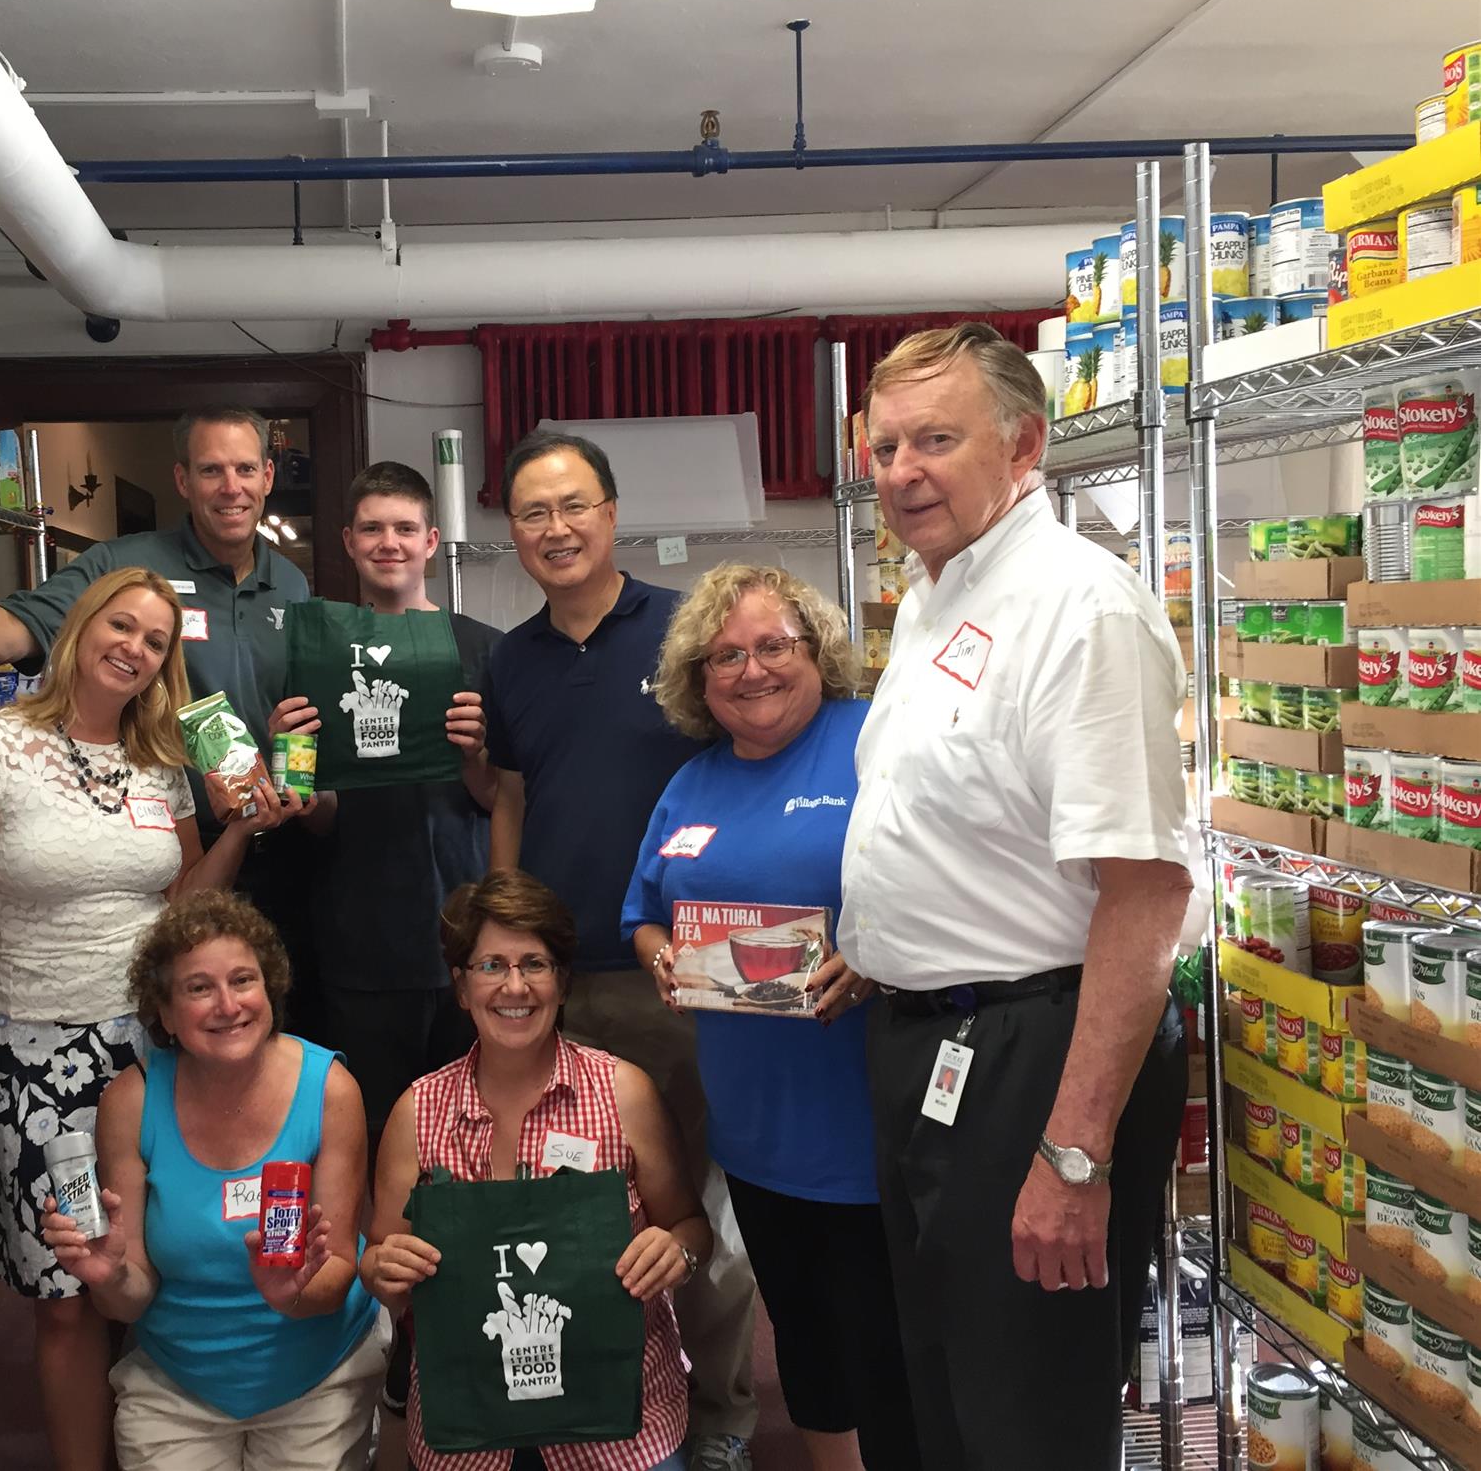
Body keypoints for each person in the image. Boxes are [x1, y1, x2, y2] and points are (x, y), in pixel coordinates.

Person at [0, 567, 290, 1471]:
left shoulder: (160, 758)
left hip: (162, 1050)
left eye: (155, 641)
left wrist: (241, 828)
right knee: (70, 1287)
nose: (135, 648)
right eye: (122, 625)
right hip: (45, 1059)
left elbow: (186, 903)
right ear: (80, 627)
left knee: (160, 1264)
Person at [841, 322, 1192, 1468]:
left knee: (1028, 1413)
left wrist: (1074, 1153)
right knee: (949, 1395)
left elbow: (1144, 895)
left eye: (936, 441)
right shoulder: (935, 596)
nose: (902, 472)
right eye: (885, 447)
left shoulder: (1081, 608)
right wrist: (880, 933)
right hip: (933, 1044)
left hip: (1038, 1053)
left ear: (1025, 445)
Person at [0, 405, 323, 1024]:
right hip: (166, 854)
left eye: (245, 469)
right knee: (189, 1025)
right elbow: (5, 633)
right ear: (183, 479)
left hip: (277, 849)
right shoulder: (125, 567)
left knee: (263, 1031)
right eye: (211, 469)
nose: (230, 487)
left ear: (268, 476)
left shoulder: (291, 585)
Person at [483, 432, 756, 1470]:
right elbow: (512, 796)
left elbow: (742, 766)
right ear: (514, 531)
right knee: (576, 1212)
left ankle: (722, 1416)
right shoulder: (511, 658)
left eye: (573, 506)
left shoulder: (688, 631)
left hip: (682, 975)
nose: (556, 529)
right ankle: (601, 1405)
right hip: (556, 984)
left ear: (610, 511)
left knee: (708, 1213)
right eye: (533, 512)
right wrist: (505, 935)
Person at [622, 562, 919, 1471]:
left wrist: (873, 952)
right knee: (805, 1330)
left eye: (773, 646)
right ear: (698, 679)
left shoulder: (873, 741)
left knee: (890, 1342)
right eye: (725, 656)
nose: (751, 670)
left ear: (816, 651)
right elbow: (643, 914)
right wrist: (662, 957)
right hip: (755, 1124)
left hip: (869, 1115)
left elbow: (950, 884)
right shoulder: (691, 784)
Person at [362, 870, 702, 1471]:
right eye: (491, 965)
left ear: (562, 982)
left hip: (620, 1427)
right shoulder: (417, 1112)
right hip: (469, 1425)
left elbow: (690, 1225)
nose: (514, 986)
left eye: (535, 964)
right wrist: (384, 1270)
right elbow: (379, 1257)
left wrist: (678, 1252)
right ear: (461, 987)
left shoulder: (625, 1094)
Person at [41, 890, 384, 1471]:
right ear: (166, 1013)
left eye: (243, 980)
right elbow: (130, 1298)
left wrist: (292, 1293)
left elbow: (340, 1272)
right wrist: (110, 1275)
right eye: (199, 988)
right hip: (178, 1381)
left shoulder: (330, 1089)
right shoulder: (132, 1100)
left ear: (269, 988)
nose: (228, 1005)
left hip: (316, 1371)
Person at [269, 461, 502, 1143]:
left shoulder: (483, 648)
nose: (388, 542)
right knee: (373, 1134)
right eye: (372, 528)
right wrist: (291, 756)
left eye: (405, 528)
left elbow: (503, 799)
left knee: (473, 1129)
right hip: (360, 938)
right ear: (348, 541)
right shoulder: (317, 649)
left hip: (465, 928)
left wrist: (476, 756)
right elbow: (314, 813)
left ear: (431, 540)